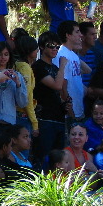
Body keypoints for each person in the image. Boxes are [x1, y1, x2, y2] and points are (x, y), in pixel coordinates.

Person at [32, 31, 67, 161]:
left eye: (57, 46)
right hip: (44, 119)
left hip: (59, 117)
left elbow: (62, 90)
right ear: (42, 46)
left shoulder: (55, 68)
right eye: (51, 45)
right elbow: (57, 85)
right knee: (43, 158)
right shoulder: (38, 66)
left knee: (58, 159)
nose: (55, 49)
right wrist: (63, 65)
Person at [54, 20, 90, 127]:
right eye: (77, 32)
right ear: (68, 35)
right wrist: (71, 113)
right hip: (69, 115)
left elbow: (87, 71)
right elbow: (62, 87)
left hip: (79, 110)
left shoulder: (73, 55)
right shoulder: (61, 55)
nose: (81, 35)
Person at [14, 35, 39, 144]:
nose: (38, 50)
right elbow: (27, 98)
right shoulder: (25, 68)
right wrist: (34, 123)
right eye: (35, 48)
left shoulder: (15, 65)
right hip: (23, 117)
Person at [78, 21, 98, 87]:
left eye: (95, 34)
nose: (95, 37)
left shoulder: (92, 55)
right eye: (92, 34)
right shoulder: (73, 55)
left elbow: (94, 76)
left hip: (90, 94)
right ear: (82, 36)